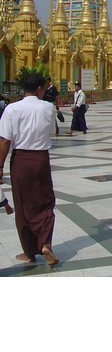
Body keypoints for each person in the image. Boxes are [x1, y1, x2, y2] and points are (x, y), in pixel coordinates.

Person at [0, 72, 59, 265]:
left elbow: (5, 140)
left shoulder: (12, 109)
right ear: (40, 89)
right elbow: (51, 131)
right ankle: (45, 243)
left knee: (23, 205)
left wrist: (0, 166)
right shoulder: (48, 107)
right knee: (45, 201)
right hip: (41, 159)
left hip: (20, 160)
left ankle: (29, 251)